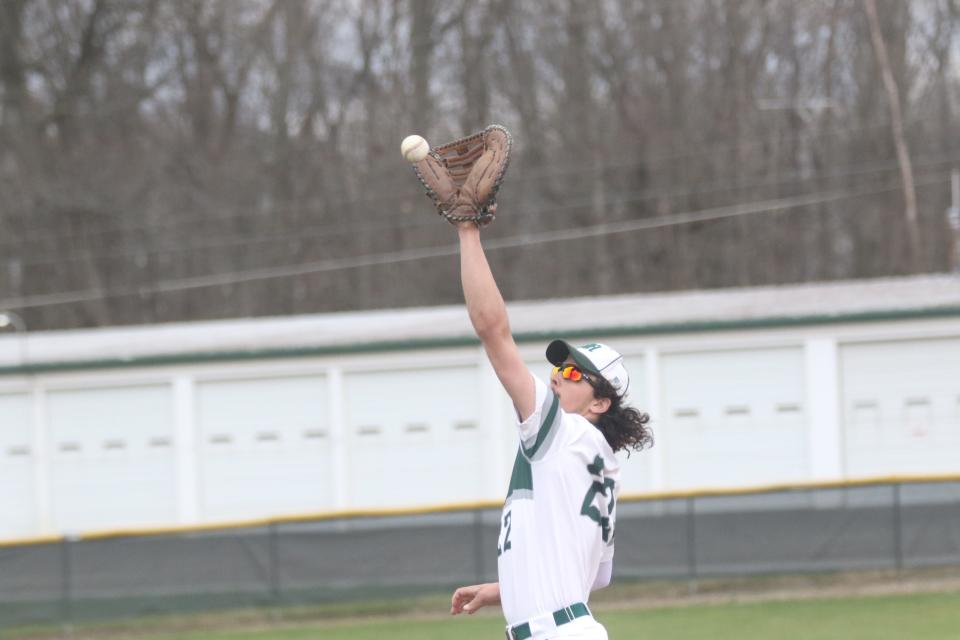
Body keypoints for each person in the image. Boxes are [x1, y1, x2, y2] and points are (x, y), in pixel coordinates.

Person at [449, 221, 653, 639]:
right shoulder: (597, 459)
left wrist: (467, 231)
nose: (559, 376)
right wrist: (508, 590)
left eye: (576, 372)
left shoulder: (563, 433)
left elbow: (493, 329)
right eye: (561, 366)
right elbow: (593, 577)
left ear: (600, 403)